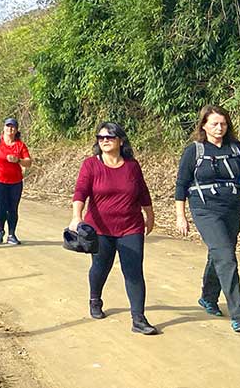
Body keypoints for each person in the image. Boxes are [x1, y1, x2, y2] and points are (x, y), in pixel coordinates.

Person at [70, 122, 158, 335]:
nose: (105, 141)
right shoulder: (91, 164)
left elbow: (142, 192)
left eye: (109, 137)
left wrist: (150, 215)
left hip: (131, 226)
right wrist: (76, 217)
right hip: (100, 229)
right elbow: (81, 191)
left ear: (120, 140)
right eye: (101, 138)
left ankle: (138, 319)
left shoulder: (132, 166)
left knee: (134, 272)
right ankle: (95, 298)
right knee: (101, 267)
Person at [175, 105, 240, 333]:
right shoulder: (195, 151)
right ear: (204, 126)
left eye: (223, 124)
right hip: (205, 209)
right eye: (214, 124)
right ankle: (239, 315)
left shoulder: (236, 148)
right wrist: (181, 216)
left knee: (221, 252)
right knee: (226, 257)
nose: (219, 128)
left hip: (232, 207)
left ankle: (208, 298)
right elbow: (181, 184)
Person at [0, 118, 32, 245]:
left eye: (13, 127)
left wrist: (18, 160)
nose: (10, 129)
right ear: (4, 128)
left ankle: (12, 234)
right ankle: (0, 230)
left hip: (15, 182)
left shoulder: (20, 145)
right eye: (8, 126)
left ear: (16, 130)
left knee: (13, 208)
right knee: (1, 207)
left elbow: (29, 162)